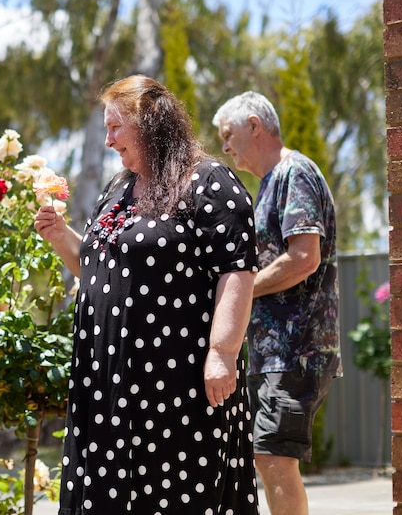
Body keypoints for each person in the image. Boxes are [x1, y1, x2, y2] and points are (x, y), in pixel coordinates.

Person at [34, 75, 261, 515]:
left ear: (151, 121)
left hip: (176, 384)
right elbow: (100, 272)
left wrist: (222, 351)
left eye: (116, 127)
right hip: (106, 386)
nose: (108, 140)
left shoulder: (209, 181)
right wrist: (62, 237)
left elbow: (237, 270)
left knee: (177, 494)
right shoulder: (118, 189)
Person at [212, 91, 341, 515]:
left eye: (229, 135)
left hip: (296, 351)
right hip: (275, 354)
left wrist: (241, 292)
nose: (226, 148)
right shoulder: (270, 183)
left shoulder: (294, 172)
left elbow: (304, 257)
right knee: (266, 458)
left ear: (255, 125)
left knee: (272, 458)